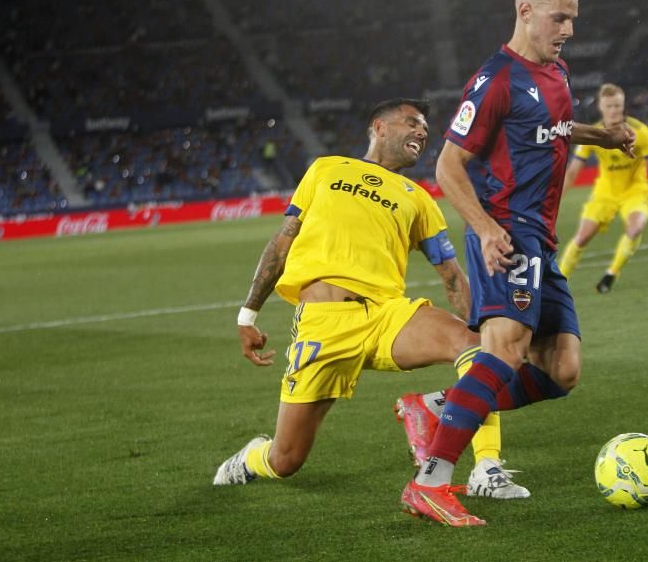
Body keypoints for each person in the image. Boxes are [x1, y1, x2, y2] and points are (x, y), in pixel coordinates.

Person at [397, 0, 636, 527]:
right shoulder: (495, 78)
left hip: (541, 239)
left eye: (573, 18)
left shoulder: (555, 71)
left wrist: (600, 135)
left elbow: (551, 126)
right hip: (506, 230)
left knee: (562, 368)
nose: (569, 29)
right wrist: (484, 229)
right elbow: (448, 165)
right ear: (525, 11)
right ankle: (430, 483)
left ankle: (436, 408)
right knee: (503, 349)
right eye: (560, 17)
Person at [212, 98, 516, 498]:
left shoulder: (418, 197)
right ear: (380, 127)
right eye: (413, 123)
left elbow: (451, 275)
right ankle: (253, 458)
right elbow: (283, 242)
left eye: (425, 129)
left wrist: (485, 324)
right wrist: (248, 315)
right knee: (286, 460)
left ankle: (486, 467)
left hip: (386, 316)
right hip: (324, 324)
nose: (423, 133)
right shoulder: (326, 169)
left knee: (477, 349)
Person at [558, 82, 648, 293]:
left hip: (635, 191)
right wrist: (555, 201)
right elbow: (572, 171)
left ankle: (611, 274)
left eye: (618, 105)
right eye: (610, 106)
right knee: (582, 237)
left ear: (623, 105)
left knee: (635, 228)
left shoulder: (640, 131)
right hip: (604, 193)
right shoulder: (593, 134)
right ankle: (558, 283)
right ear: (601, 107)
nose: (614, 110)